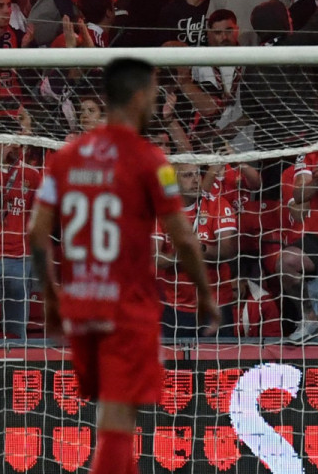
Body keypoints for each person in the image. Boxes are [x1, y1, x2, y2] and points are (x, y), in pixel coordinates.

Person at [28, 59, 219, 474]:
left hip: (81, 305)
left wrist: (51, 297)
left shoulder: (65, 158)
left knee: (112, 418)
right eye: (153, 94)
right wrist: (205, 295)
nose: (156, 102)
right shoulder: (150, 160)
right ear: (137, 97)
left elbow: (36, 232)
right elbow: (185, 239)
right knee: (118, 424)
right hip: (125, 307)